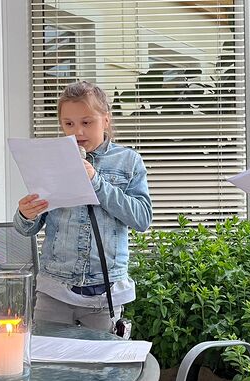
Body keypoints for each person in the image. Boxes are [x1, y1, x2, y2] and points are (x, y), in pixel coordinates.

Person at [13, 81, 152, 332]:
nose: (78, 131)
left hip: (104, 292)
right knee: (49, 355)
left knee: (102, 358)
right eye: (69, 124)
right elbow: (27, 229)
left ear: (106, 120)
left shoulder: (128, 161)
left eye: (87, 122)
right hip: (54, 289)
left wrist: (97, 182)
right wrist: (25, 214)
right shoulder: (51, 160)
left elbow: (142, 218)